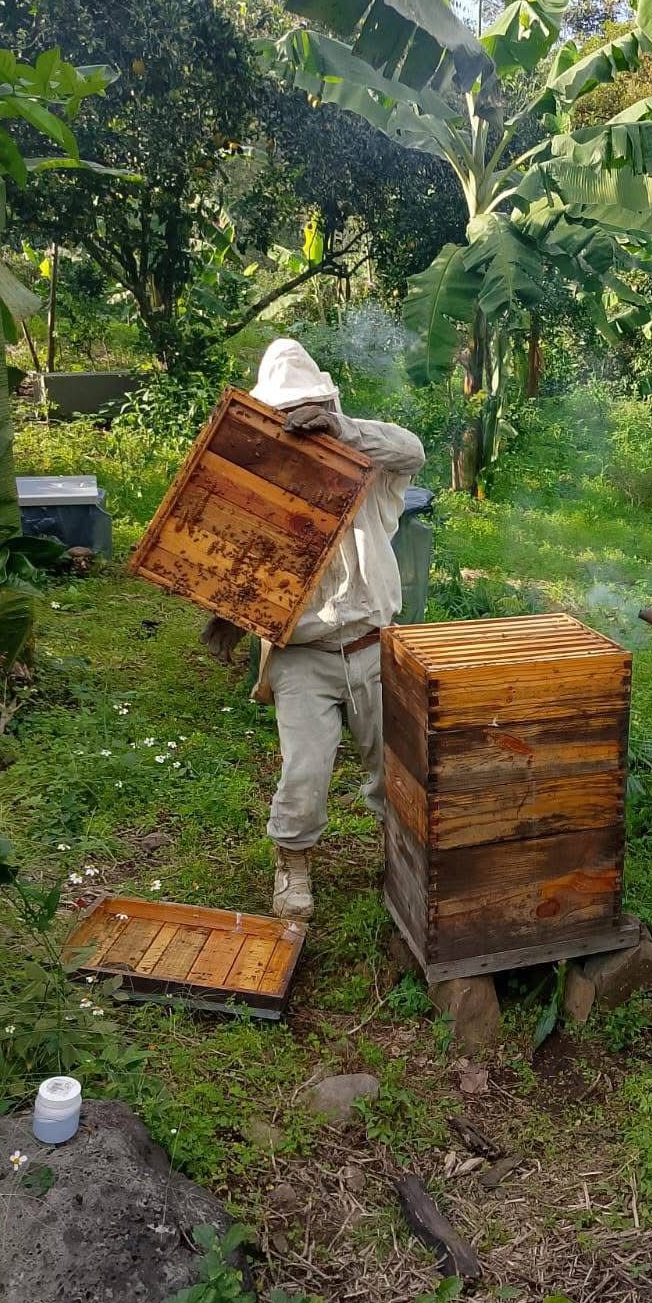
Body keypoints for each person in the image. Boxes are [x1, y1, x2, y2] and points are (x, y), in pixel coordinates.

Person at [203, 338, 425, 921]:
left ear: (328, 405)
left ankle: (402, 857)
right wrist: (231, 611)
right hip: (301, 654)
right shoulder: (261, 487)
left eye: (309, 411)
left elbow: (413, 449)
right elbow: (237, 560)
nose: (299, 425)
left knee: (395, 769)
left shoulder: (372, 469)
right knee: (304, 771)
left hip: (374, 647)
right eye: (286, 414)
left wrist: (341, 431)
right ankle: (293, 863)